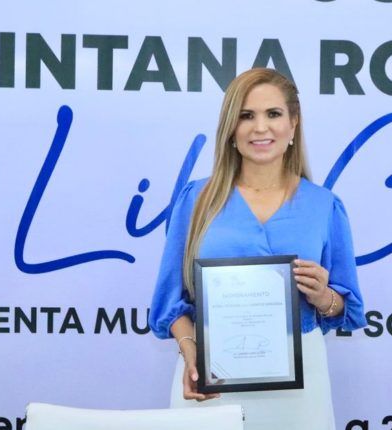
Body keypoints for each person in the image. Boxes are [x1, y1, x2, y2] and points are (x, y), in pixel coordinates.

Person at [148, 68, 366, 430]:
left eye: (273, 114)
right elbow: (169, 303)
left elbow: (349, 308)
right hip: (211, 379)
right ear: (231, 128)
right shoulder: (196, 199)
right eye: (246, 115)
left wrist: (323, 295)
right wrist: (191, 352)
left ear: (293, 124)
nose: (260, 128)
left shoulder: (324, 205)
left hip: (299, 389)